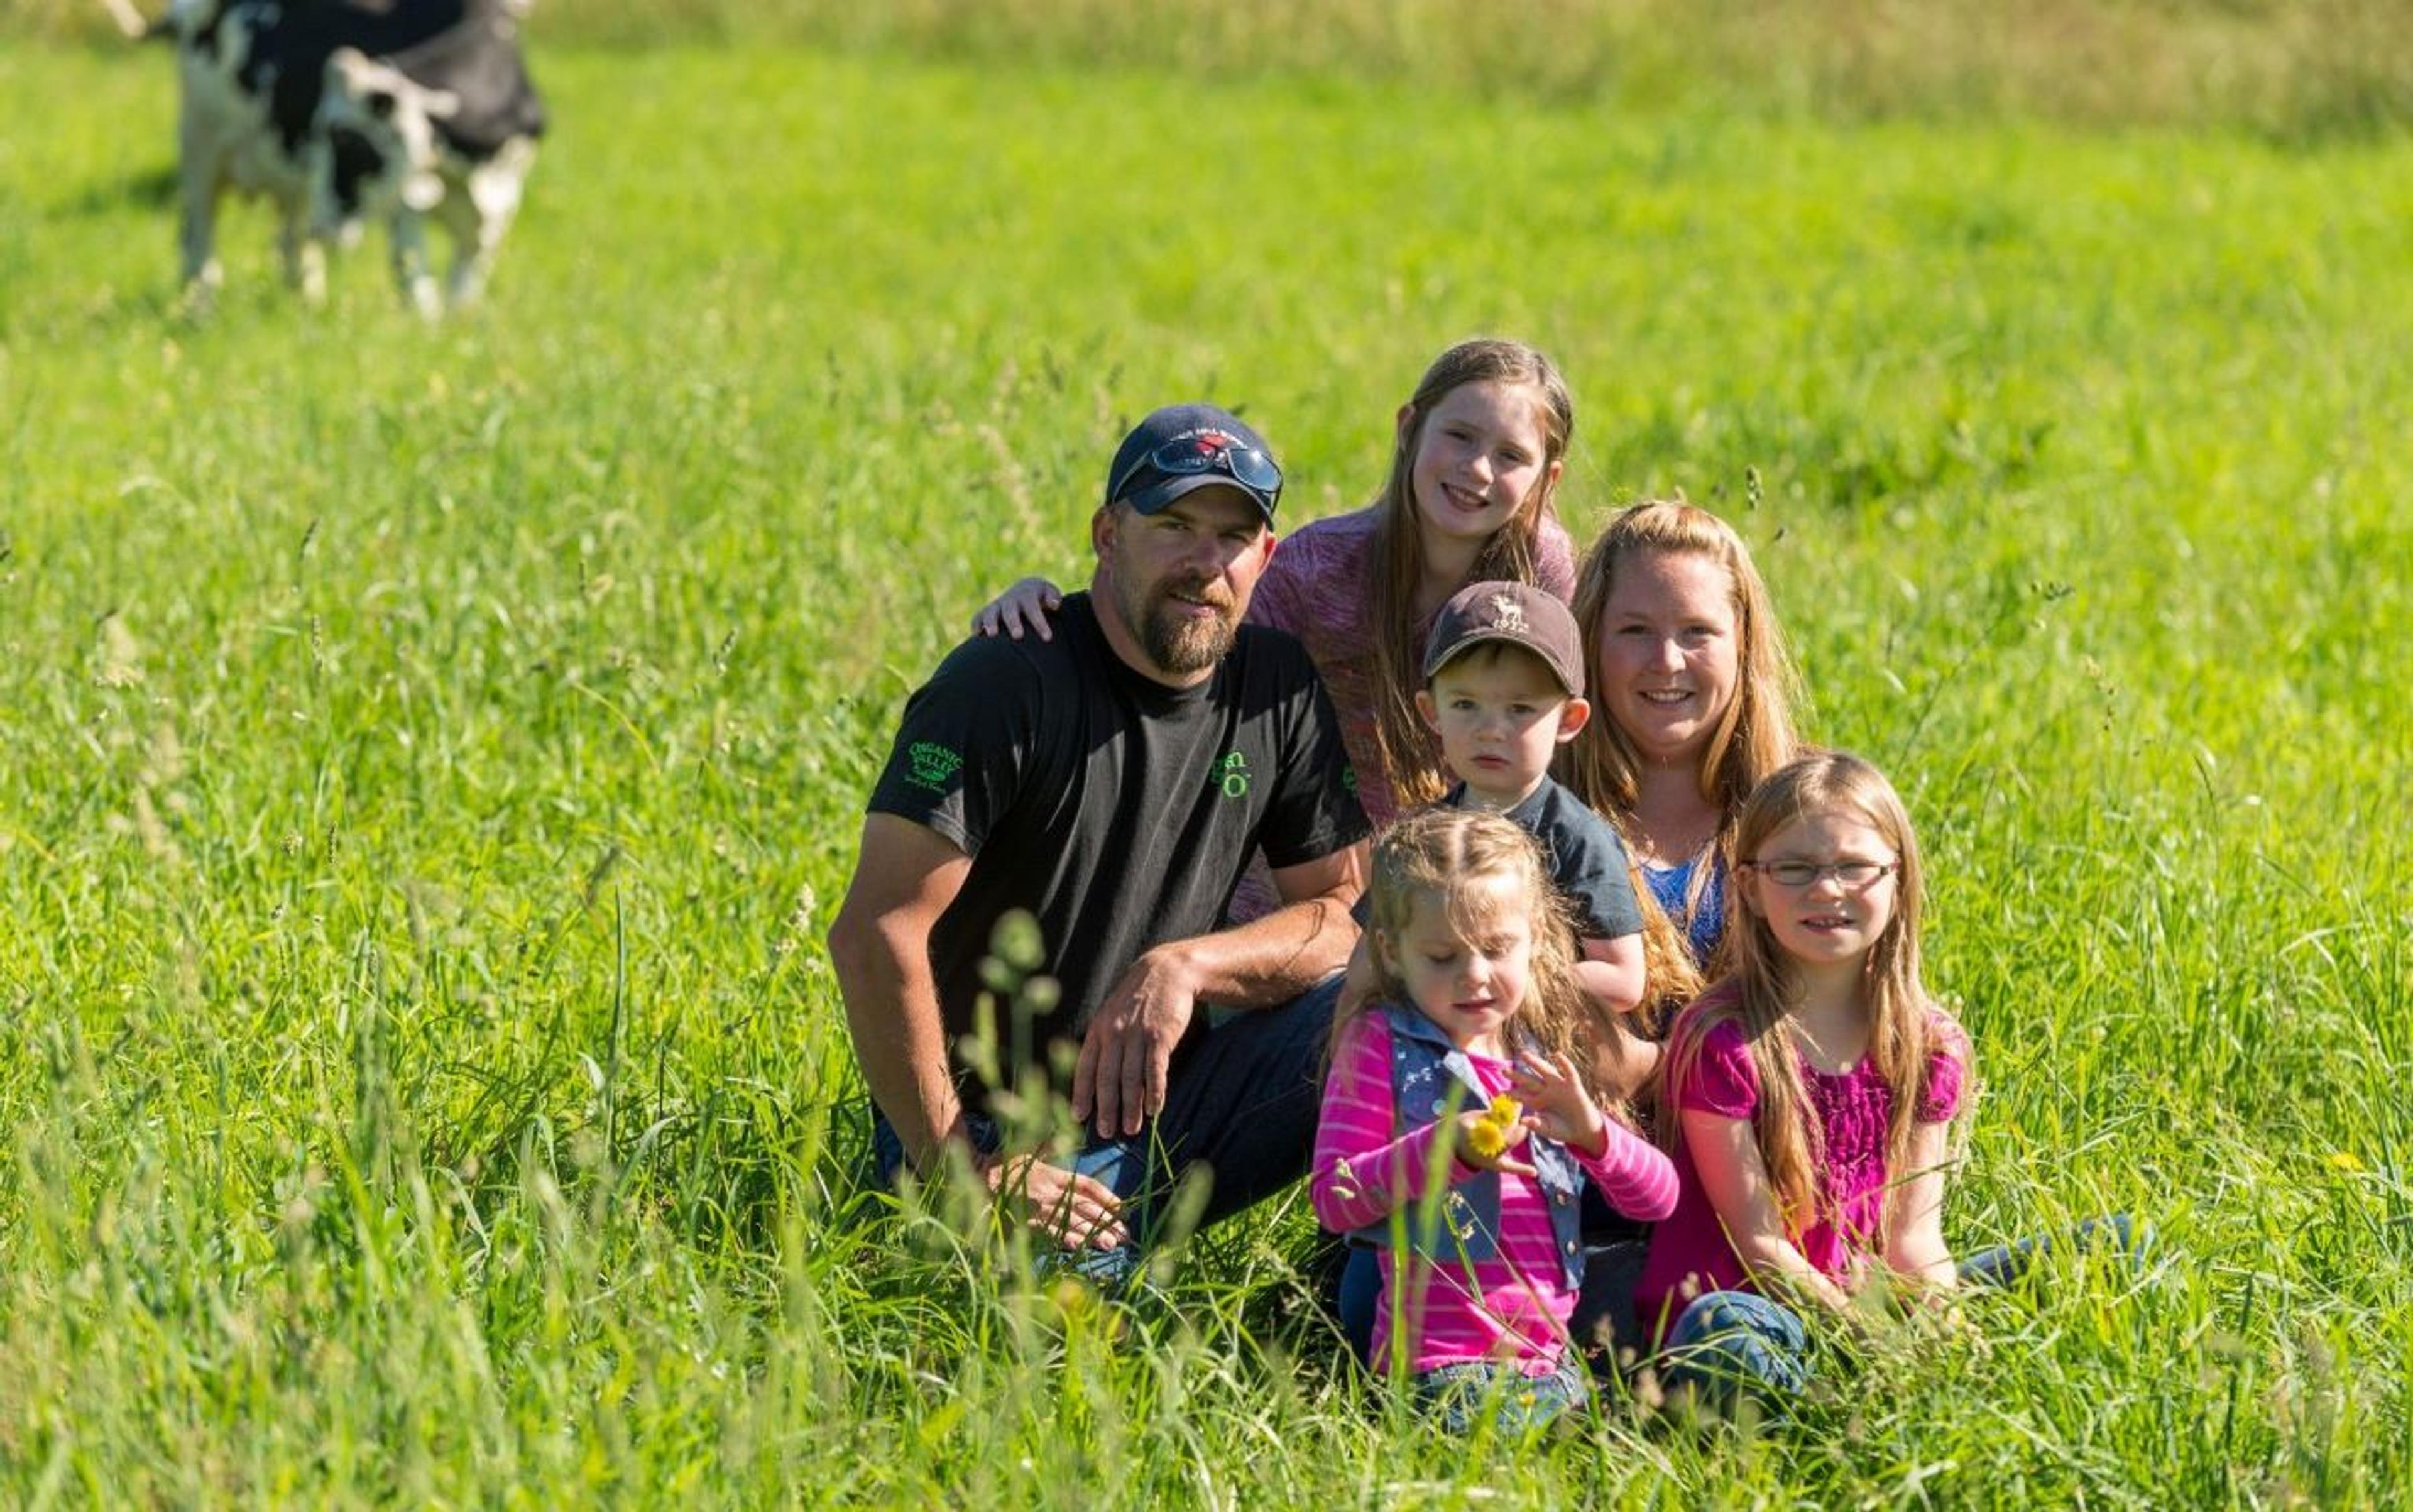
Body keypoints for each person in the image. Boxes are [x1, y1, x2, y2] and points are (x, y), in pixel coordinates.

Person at [828, 403, 1371, 1283]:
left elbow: (1340, 918)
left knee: (1392, 1002)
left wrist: (1186, 965)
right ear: (1108, 534)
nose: (1205, 563)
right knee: (1042, 1325)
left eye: (1233, 536)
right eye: (1175, 526)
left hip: (1159, 1104)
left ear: (1265, 559)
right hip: (983, 1124)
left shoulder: (1278, 688)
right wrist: (960, 1173)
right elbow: (874, 931)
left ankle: (1376, 1289)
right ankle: (1018, 1242)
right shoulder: (1005, 680)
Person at [972, 338, 1582, 915]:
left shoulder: (1542, 569)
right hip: (1300, 886)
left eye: (1511, 456)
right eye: (1459, 436)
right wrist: (1056, 607)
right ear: (1408, 429)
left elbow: (1573, 732)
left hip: (1473, 885)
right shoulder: (1318, 570)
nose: (1477, 469)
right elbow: (1185, 634)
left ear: (1547, 478)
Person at [1309, 808, 1677, 1430]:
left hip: (1551, 1363)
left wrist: (1593, 1133)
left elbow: (1659, 1200)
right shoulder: (1382, 1044)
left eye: (1496, 949)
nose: (1474, 975)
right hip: (1441, 1364)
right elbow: (1334, 1197)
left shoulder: (1539, 1054)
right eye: (1443, 956)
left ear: (1535, 939)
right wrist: (1444, 1150)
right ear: (1393, 954)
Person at [1636, 752, 1971, 1406]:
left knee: (2112, 1249)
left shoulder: (1928, 1044)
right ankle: (1838, 1399)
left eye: (1854, 867)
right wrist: (1865, 1340)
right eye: (1795, 869)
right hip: (1754, 1307)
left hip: (1867, 1296)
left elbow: (1914, 1242)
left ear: (1897, 879)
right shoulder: (1722, 1041)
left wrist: (1952, 1337)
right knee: (1725, 1336)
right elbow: (1760, 1247)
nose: (1827, 889)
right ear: (1751, 889)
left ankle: (1866, 1392)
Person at [1560, 500, 1805, 981]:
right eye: (1635, 630)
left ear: (1743, 642)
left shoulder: (1809, 810)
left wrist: (1646, 1060)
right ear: (1591, 641)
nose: (1667, 660)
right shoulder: (1534, 811)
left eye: (1697, 632)